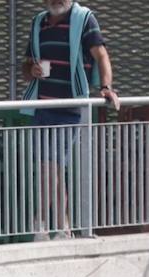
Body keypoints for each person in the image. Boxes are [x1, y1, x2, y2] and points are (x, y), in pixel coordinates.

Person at [20, 0, 120, 238]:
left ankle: (41, 223)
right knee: (50, 167)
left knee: (50, 166)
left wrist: (106, 87)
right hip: (42, 105)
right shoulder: (38, 22)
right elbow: (26, 66)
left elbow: (101, 56)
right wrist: (31, 69)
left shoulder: (84, 19)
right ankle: (63, 227)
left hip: (70, 107)